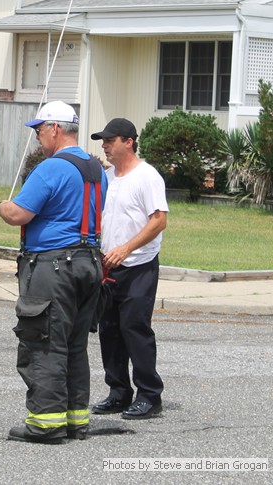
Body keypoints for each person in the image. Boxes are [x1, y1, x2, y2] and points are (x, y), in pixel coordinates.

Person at [0, 100, 107, 444]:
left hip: (53, 267)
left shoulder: (51, 168)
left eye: (39, 130)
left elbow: (19, 214)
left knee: (44, 344)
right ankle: (75, 419)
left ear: (55, 128)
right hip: (89, 264)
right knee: (74, 344)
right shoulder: (96, 169)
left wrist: (1, 206)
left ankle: (45, 424)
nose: (37, 137)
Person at [90, 118, 168, 420]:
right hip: (108, 267)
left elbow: (158, 220)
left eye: (110, 141)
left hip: (139, 266)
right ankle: (119, 393)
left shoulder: (147, 176)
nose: (105, 146)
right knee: (109, 330)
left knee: (134, 328)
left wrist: (126, 248)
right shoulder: (108, 177)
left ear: (129, 142)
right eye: (103, 141)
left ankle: (149, 396)